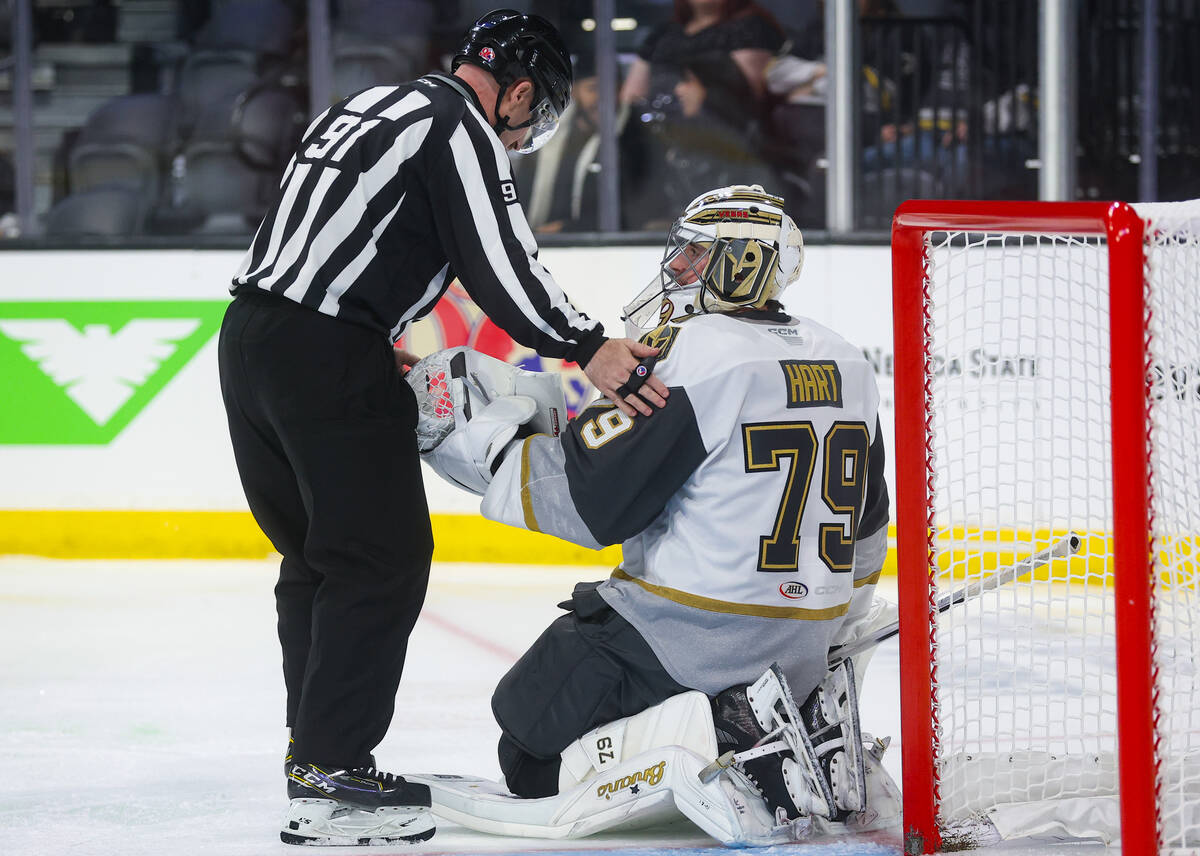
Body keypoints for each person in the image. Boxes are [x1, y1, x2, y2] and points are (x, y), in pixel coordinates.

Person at [216, 8, 668, 846]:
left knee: (318, 559)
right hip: (325, 352)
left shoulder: (368, 104)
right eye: (537, 112)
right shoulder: (458, 125)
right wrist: (588, 346)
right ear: (520, 90)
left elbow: (316, 234)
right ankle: (330, 779)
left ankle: (312, 751)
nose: (530, 132)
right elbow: (499, 262)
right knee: (380, 559)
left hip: (251, 340)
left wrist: (358, 330)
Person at [411, 184, 898, 841]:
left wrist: (481, 440)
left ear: (744, 261)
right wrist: (826, 632)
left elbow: (590, 502)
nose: (676, 270)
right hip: (801, 649)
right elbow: (868, 531)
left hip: (685, 636)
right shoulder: (848, 359)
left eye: (695, 255)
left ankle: (716, 727)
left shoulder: (697, 355)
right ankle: (774, 725)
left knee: (526, 749)